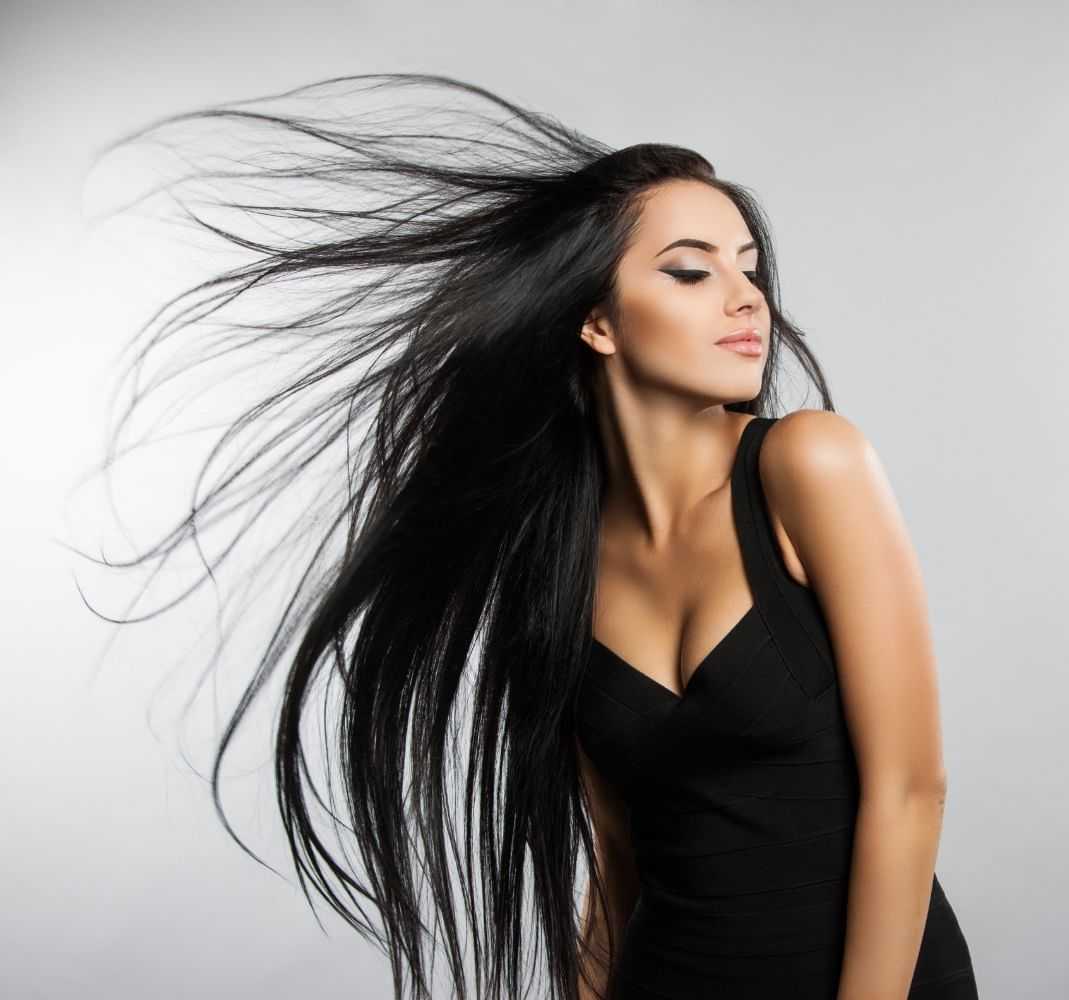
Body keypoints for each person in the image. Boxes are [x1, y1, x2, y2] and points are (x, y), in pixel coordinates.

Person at [80, 72, 977, 999]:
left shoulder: (808, 465)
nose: (746, 296)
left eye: (748, 265)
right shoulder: (553, 562)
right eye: (690, 269)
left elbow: (911, 791)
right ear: (596, 321)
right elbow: (621, 858)